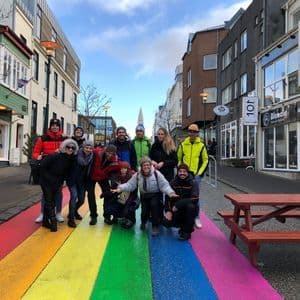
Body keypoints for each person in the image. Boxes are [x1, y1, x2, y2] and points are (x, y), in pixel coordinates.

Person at [112, 156, 178, 236]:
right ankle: (143, 221)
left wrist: (171, 192)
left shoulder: (157, 174)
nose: (146, 167)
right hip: (144, 195)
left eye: (148, 165)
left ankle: (155, 226)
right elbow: (130, 185)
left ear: (150, 165)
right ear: (141, 166)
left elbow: (164, 185)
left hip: (155, 194)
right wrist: (120, 188)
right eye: (144, 165)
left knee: (154, 207)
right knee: (144, 211)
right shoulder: (138, 175)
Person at [32, 118, 66, 223]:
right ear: (50, 127)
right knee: (46, 193)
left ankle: (58, 213)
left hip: (59, 170)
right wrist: (37, 157)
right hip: (46, 169)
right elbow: (35, 152)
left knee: (59, 192)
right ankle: (42, 213)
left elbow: (70, 150)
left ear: (59, 127)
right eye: (53, 125)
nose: (55, 127)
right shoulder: (42, 138)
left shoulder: (64, 139)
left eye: (57, 125)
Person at [39, 139, 78, 232]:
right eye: (68, 147)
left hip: (57, 182)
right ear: (64, 147)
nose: (70, 149)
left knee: (51, 200)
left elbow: (68, 173)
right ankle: (53, 222)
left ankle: (45, 221)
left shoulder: (71, 160)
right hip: (46, 181)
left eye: (73, 148)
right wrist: (48, 178)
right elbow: (42, 166)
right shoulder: (54, 156)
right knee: (49, 201)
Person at [177, 123, 208, 229]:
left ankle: (196, 217)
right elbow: (179, 158)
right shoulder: (183, 144)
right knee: (183, 196)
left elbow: (205, 160)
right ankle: (184, 216)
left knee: (195, 197)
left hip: (195, 175)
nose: (192, 133)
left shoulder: (201, 145)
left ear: (197, 133)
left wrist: (200, 173)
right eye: (190, 131)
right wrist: (180, 170)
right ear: (188, 132)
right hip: (184, 175)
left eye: (194, 131)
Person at [163, 164, 198, 240]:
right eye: (180, 171)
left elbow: (195, 198)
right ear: (177, 172)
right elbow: (167, 197)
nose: (182, 173)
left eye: (184, 171)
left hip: (187, 208)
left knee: (191, 207)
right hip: (175, 209)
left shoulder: (193, 182)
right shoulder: (173, 182)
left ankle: (187, 232)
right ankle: (181, 226)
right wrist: (168, 211)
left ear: (187, 172)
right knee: (166, 222)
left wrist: (179, 204)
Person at [66, 140, 94, 227]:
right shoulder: (75, 155)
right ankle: (71, 218)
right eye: (86, 147)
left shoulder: (91, 158)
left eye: (90, 148)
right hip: (73, 180)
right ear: (83, 147)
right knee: (74, 196)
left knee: (81, 200)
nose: (88, 149)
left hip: (82, 182)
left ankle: (74, 211)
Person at [90, 144, 120, 225]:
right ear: (105, 150)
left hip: (103, 178)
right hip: (91, 177)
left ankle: (107, 216)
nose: (109, 155)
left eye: (112, 153)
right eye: (108, 152)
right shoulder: (97, 153)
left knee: (108, 195)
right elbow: (87, 152)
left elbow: (119, 168)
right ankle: (93, 216)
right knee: (90, 195)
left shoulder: (114, 161)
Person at [103, 161, 139, 228]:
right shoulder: (117, 177)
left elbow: (134, 194)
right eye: (121, 168)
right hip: (120, 199)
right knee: (109, 208)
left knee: (129, 208)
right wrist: (105, 194)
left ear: (128, 169)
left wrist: (127, 204)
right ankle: (115, 217)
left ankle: (131, 220)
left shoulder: (133, 178)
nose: (123, 170)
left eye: (125, 168)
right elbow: (113, 190)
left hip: (131, 199)